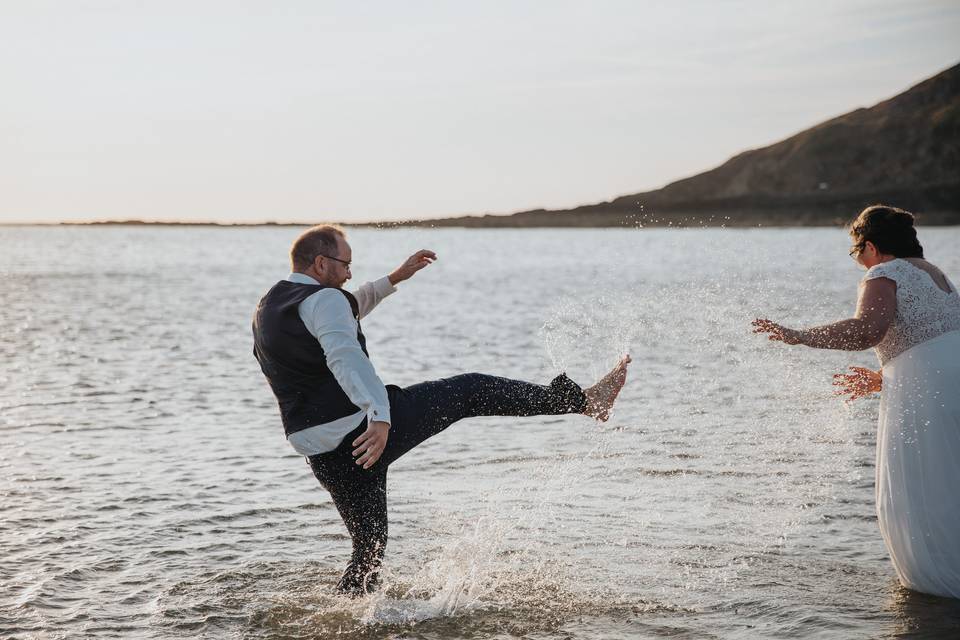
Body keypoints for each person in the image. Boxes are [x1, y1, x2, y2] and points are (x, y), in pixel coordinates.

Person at [252, 224, 631, 596]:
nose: (351, 274)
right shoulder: (327, 300)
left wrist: (396, 277)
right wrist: (380, 417)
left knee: (368, 549)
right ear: (320, 263)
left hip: (319, 449)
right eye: (346, 264)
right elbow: (345, 356)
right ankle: (583, 402)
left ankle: (347, 615)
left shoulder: (270, 305)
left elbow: (342, 315)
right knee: (470, 390)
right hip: (361, 431)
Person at [752, 205, 960, 599]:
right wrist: (887, 378)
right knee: (952, 481)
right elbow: (938, 341)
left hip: (925, 399)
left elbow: (867, 331)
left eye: (855, 251)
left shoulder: (883, 273)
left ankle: (942, 587)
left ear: (871, 246)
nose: (857, 261)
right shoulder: (938, 276)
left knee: (928, 492)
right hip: (949, 388)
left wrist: (800, 335)